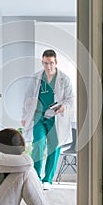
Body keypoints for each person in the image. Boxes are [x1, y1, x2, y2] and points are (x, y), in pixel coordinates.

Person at [21, 49, 74, 190]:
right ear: (42, 62)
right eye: (45, 63)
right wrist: (24, 117)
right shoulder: (37, 78)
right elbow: (28, 99)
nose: (48, 66)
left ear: (55, 62)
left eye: (51, 63)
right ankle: (35, 177)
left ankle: (47, 180)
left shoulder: (64, 79)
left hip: (55, 118)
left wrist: (63, 107)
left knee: (54, 147)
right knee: (38, 144)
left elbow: (70, 100)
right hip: (39, 116)